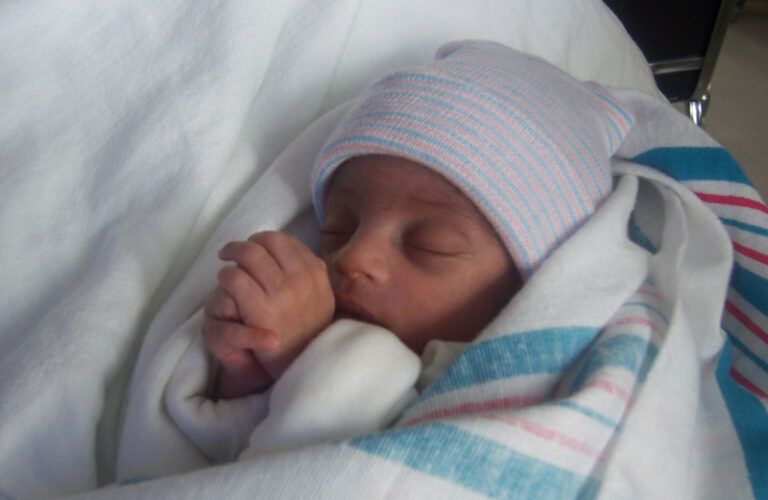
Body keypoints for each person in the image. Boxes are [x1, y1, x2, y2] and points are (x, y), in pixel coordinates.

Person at [177, 40, 632, 460]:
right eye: (337, 228)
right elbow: (229, 469)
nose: (352, 258)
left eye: (428, 245)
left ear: (527, 288)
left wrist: (309, 356)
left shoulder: (515, 395)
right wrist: (249, 375)